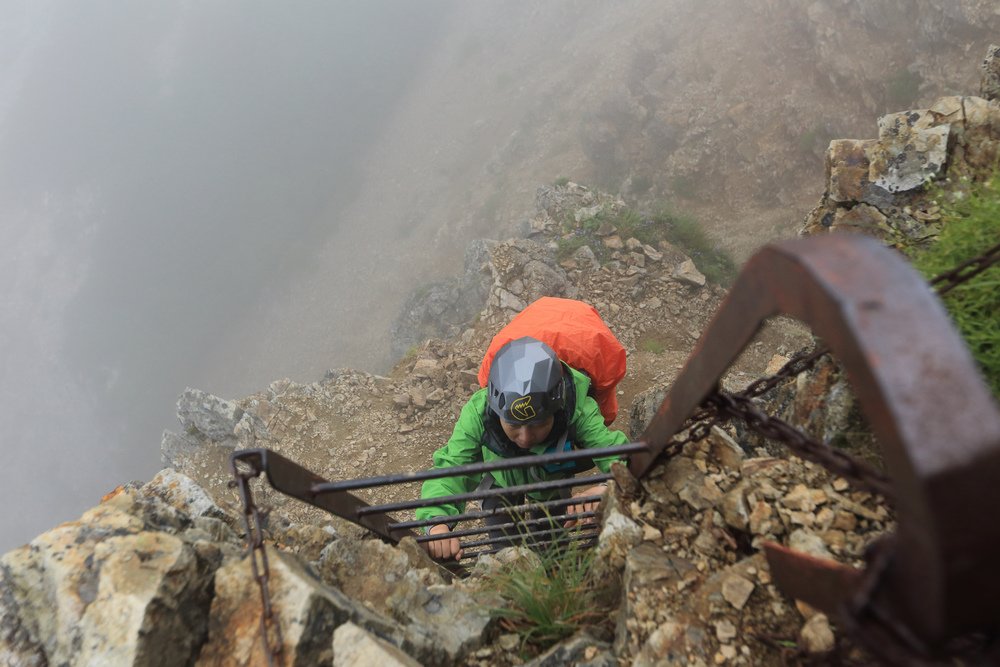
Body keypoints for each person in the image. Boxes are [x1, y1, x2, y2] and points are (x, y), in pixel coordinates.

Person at [416, 335, 630, 560]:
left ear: (556, 408)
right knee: (505, 552)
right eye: (513, 424)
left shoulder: (576, 408)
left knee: (552, 548)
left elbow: (615, 453)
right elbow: (451, 466)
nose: (526, 438)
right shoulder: (478, 414)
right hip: (499, 482)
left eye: (539, 424)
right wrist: (437, 522)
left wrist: (609, 488)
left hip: (551, 481)